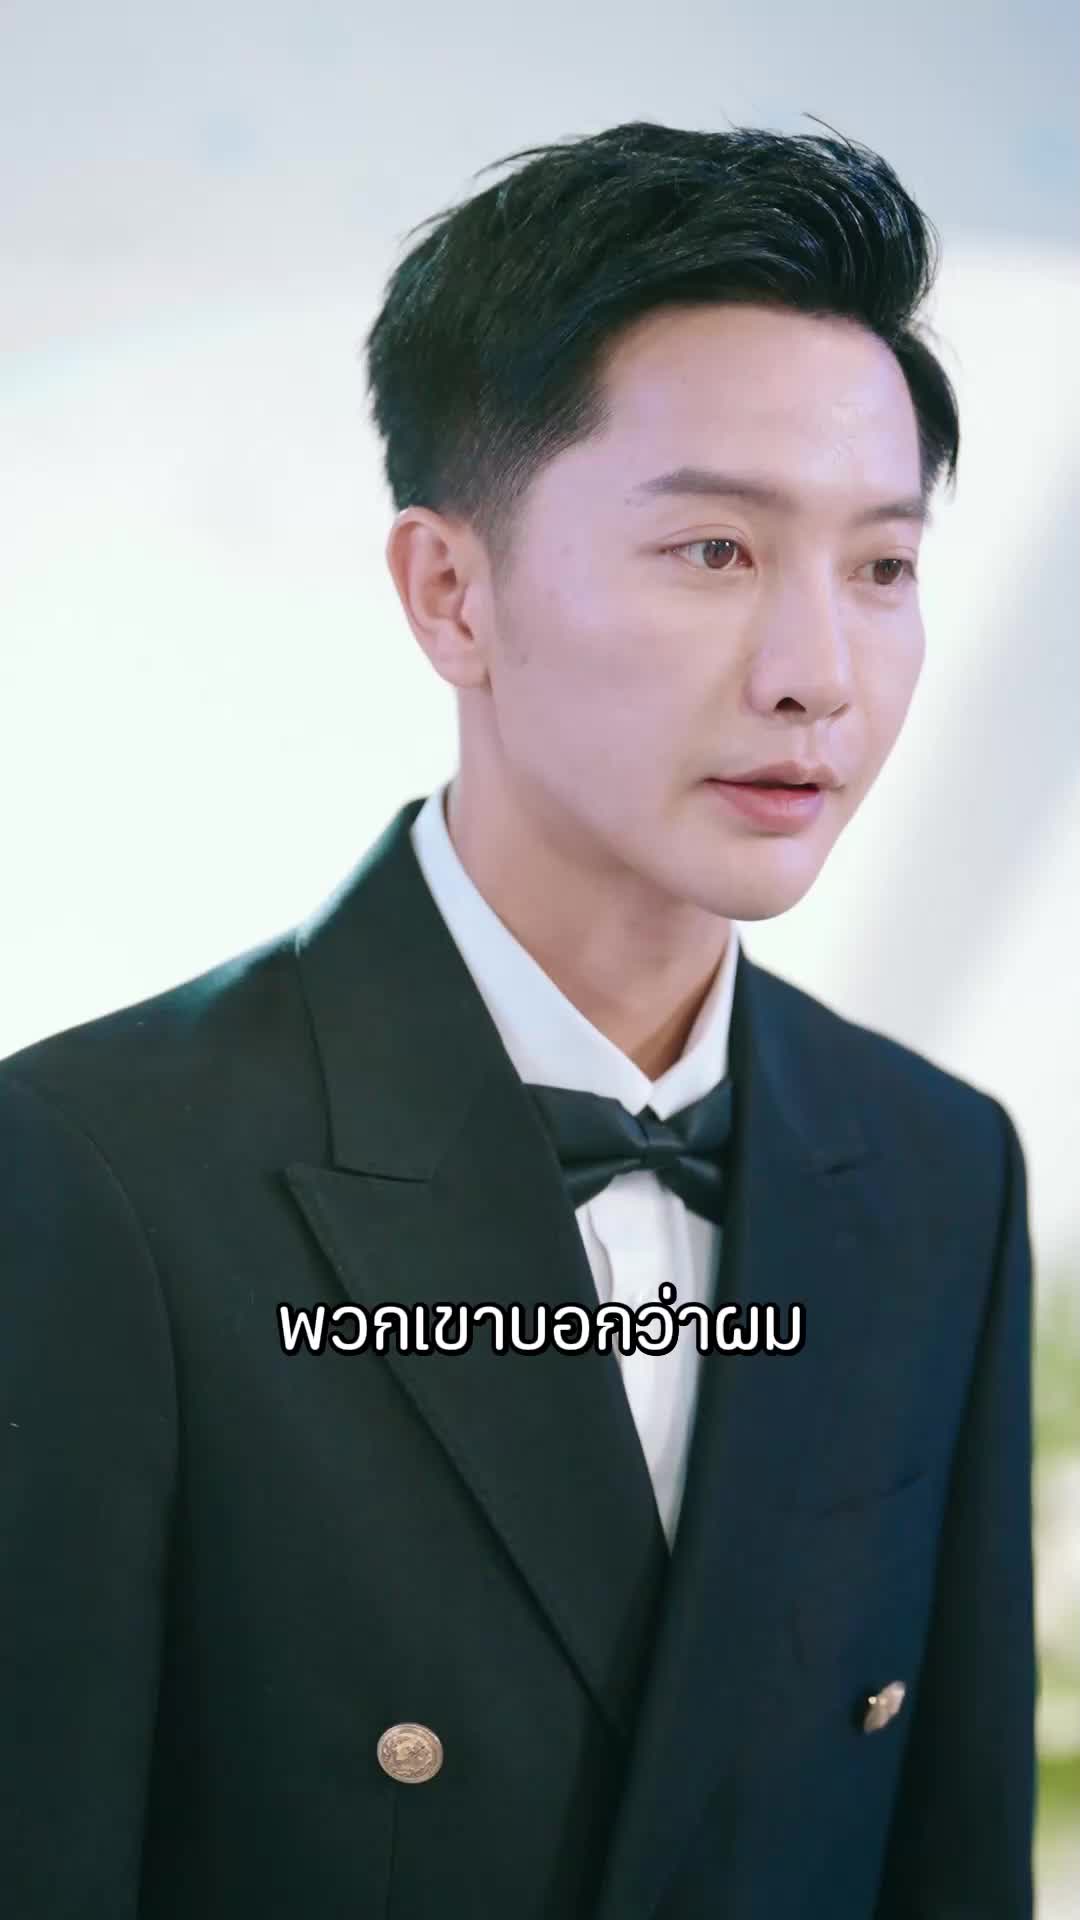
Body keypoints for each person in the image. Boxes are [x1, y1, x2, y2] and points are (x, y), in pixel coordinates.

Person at [0, 117, 1036, 1918]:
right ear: (450, 592)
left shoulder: (939, 1167)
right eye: (713, 550)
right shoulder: (99, 1171)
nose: (820, 672)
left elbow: (946, 1857)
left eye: (881, 565)